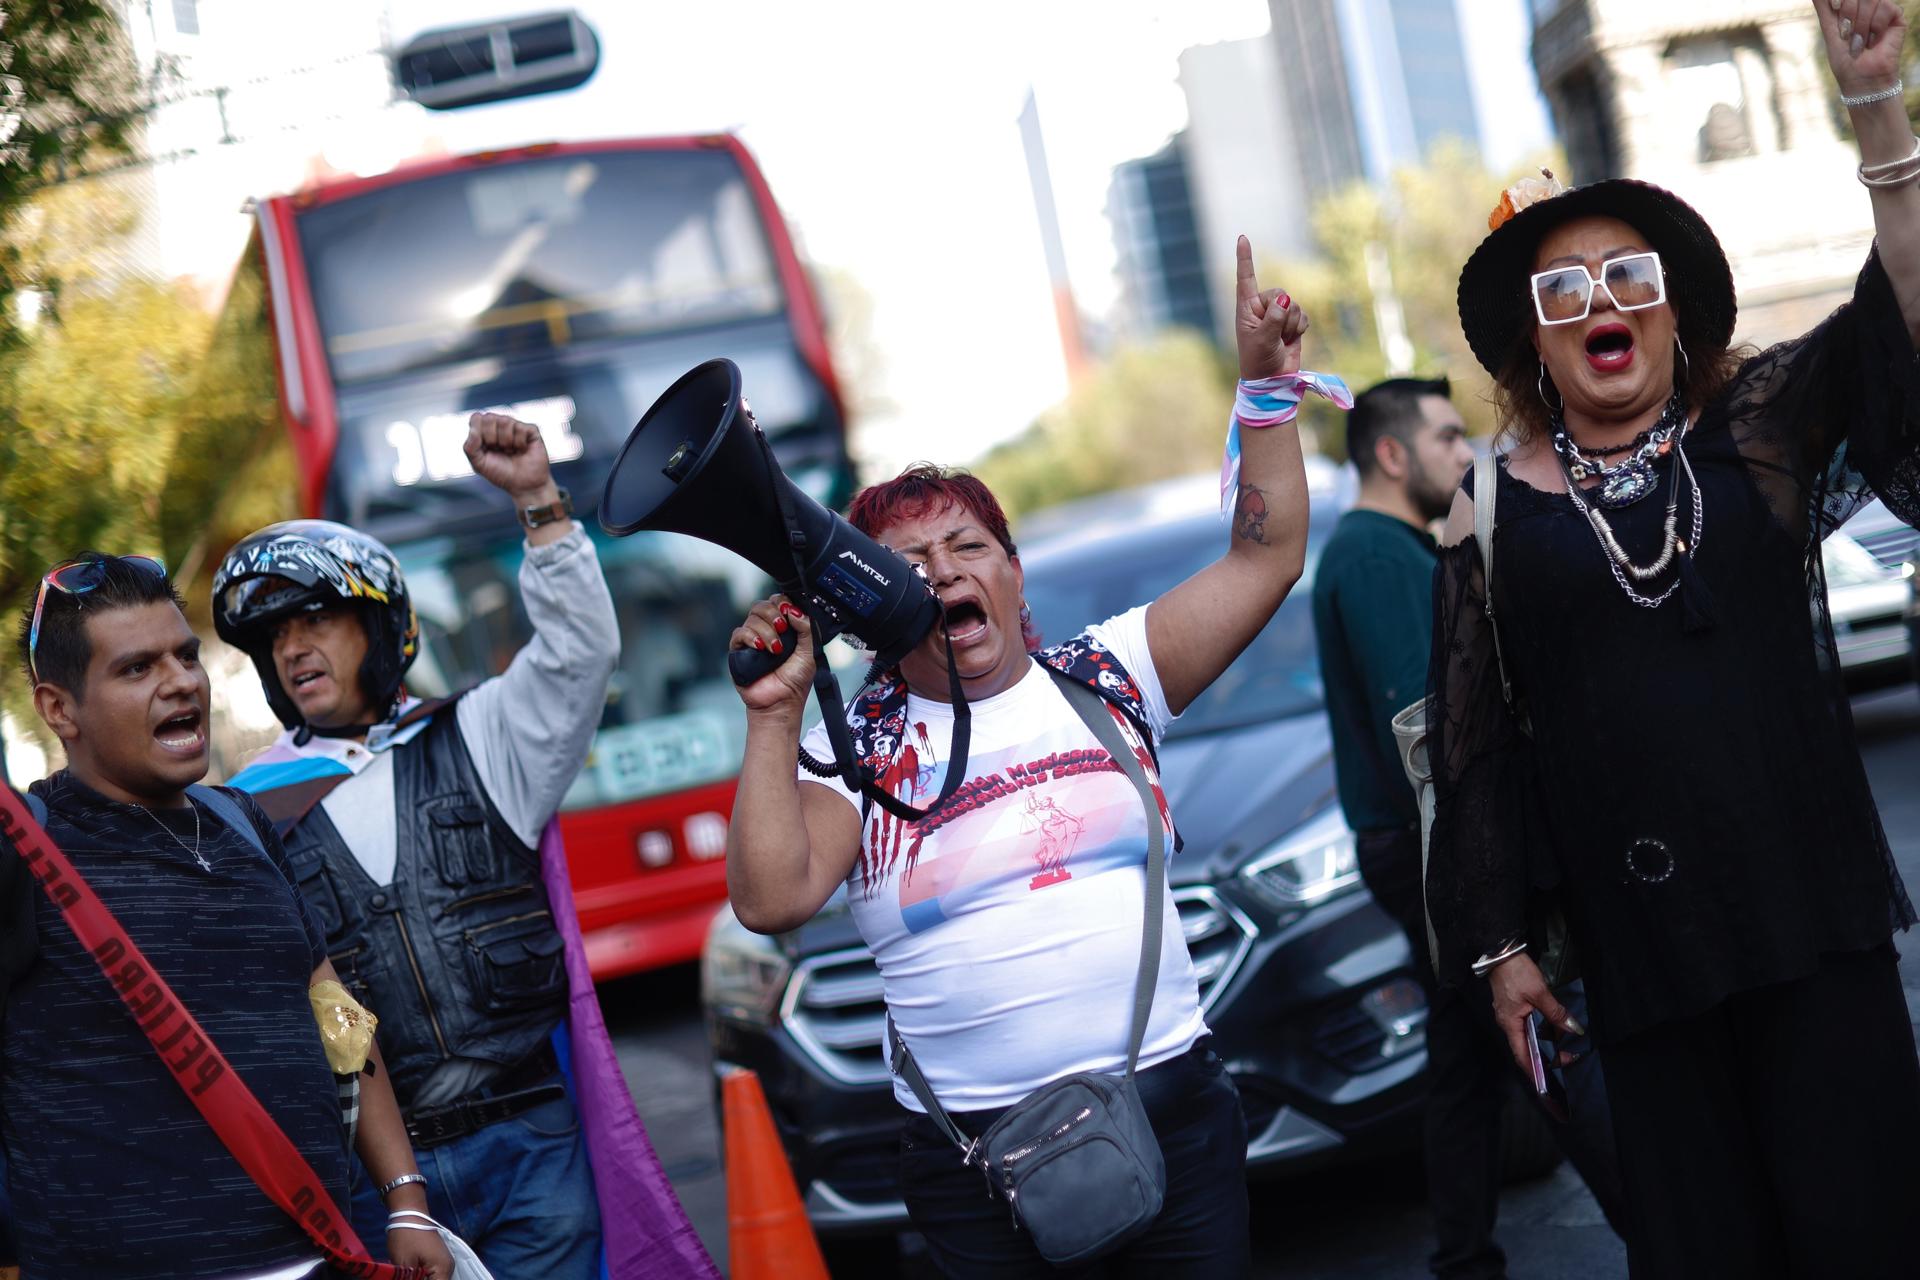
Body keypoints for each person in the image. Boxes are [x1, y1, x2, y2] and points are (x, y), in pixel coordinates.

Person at [726, 238, 1337, 1277]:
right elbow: (772, 897)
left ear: (1013, 576)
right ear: (872, 607)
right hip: (975, 1167)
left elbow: (1266, 553)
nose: (942, 569)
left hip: (1174, 1125)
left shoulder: (1108, 675)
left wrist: (1266, 391)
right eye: (908, 562)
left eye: (967, 546)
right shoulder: (855, 751)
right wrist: (777, 717)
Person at [1425, 4, 1920, 1276]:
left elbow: (1903, 320)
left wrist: (1877, 111)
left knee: (1870, 1234)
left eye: (1631, 277)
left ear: (1671, 313)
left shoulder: (1756, 430)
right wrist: (1500, 946)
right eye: (1567, 289)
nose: (1605, 302)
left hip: (1814, 921)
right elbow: (1474, 746)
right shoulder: (1489, 508)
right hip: (1644, 961)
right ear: (1535, 338)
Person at [211, 413, 623, 1277]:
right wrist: (397, 1190)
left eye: (315, 618)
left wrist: (538, 503)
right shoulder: (249, 810)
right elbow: (312, 1007)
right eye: (273, 636)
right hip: (379, 1182)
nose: (292, 648)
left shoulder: (484, 733)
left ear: (382, 627)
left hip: (532, 1143)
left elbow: (582, 652)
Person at [0, 553, 452, 1280]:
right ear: (59, 709)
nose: (182, 681)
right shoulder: (26, 851)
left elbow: (333, 1012)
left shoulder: (240, 818)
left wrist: (405, 1201)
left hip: (319, 1257)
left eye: (184, 655)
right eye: (136, 669)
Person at [1312, 377, 1628, 1279]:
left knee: (1465, 1061)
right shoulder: (1376, 557)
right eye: (1448, 438)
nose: (1466, 454)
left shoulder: (1393, 547)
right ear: (1390, 454)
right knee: (1550, 1031)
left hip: (1421, 842)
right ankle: (1665, 1226)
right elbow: (1428, 730)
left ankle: (1464, 1259)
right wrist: (1488, 873)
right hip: (1429, 846)